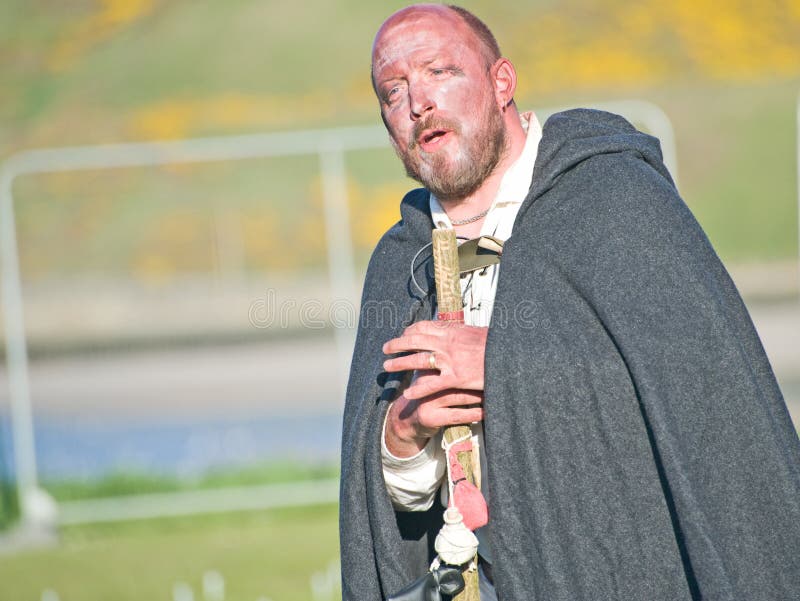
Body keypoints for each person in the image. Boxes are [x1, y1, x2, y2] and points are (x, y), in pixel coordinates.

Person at [339, 4, 800, 600]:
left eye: (438, 72)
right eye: (393, 91)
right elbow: (382, 514)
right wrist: (400, 434)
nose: (418, 102)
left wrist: (506, 367)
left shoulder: (614, 200)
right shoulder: (400, 265)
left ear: (501, 82)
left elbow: (704, 392)